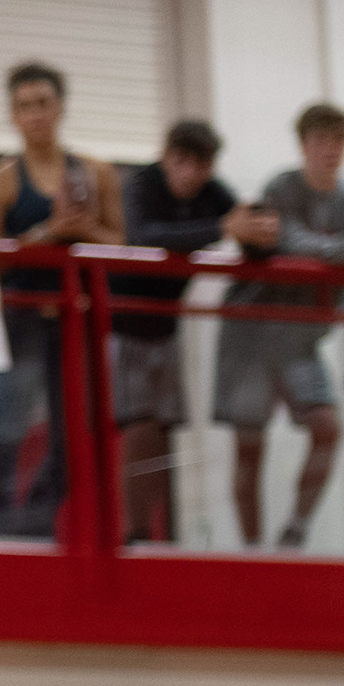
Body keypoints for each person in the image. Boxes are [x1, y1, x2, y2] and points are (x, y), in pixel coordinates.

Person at [0, 62, 120, 539]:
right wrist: (49, 232)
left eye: (43, 104)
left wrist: (84, 229)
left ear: (61, 108)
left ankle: (33, 529)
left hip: (78, 316)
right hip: (22, 317)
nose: (35, 114)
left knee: (74, 437)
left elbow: (122, 247)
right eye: (25, 106)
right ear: (12, 116)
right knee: (8, 429)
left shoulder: (96, 173)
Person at [218, 103, 344, 551]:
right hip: (251, 336)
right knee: (250, 446)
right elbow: (290, 243)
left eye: (338, 140)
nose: (330, 149)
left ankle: (295, 531)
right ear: (303, 145)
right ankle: (252, 551)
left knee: (327, 427)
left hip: (300, 341)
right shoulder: (281, 187)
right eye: (320, 140)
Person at [112, 120, 236, 545]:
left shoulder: (213, 193)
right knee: (140, 427)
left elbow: (244, 221)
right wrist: (224, 229)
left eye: (200, 165)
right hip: (126, 321)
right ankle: (135, 533)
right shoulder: (141, 184)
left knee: (165, 431)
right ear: (166, 157)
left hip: (168, 324)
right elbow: (144, 237)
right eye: (181, 161)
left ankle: (160, 534)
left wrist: (254, 225)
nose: (189, 174)